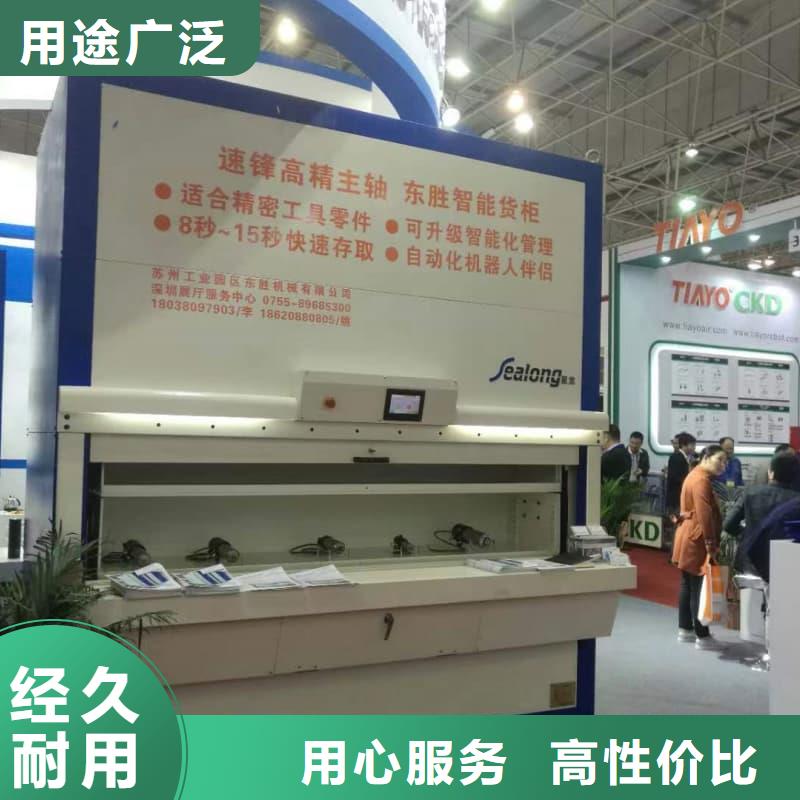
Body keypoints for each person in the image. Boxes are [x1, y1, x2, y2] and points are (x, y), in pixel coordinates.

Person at [672, 444, 728, 649]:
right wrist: (711, 543)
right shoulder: (701, 480)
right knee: (697, 585)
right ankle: (702, 636)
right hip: (697, 537)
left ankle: (685, 629)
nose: (723, 465)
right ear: (706, 457)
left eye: (725, 461)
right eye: (719, 459)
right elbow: (705, 514)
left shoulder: (694, 475)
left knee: (688, 583)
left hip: (688, 533)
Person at [725, 452, 800, 579]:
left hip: (749, 561)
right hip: (784, 564)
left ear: (771, 473)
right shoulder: (796, 500)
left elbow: (728, 524)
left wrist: (747, 533)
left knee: (747, 592)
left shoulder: (751, 493)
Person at [666, 433, 696, 514]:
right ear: (683, 445)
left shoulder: (686, 457)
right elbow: (675, 478)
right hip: (676, 498)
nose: (694, 448)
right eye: (692, 445)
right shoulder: (676, 457)